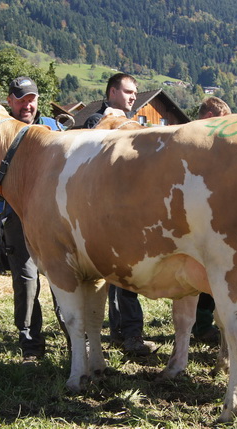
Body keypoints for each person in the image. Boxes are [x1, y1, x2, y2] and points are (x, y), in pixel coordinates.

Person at [84, 73, 156, 356]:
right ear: (112, 92)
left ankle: (128, 333)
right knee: (110, 276)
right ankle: (118, 336)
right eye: (128, 92)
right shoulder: (94, 122)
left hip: (130, 209)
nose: (133, 97)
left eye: (135, 93)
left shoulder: (133, 124)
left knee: (128, 274)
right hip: (103, 210)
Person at [0, 76, 64, 362]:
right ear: (9, 100)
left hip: (53, 218)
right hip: (16, 216)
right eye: (21, 99)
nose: (27, 104)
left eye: (31, 98)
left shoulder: (54, 128)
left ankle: (76, 339)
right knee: (25, 281)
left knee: (62, 278)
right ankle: (31, 346)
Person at [191, 97, 232, 344]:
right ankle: (201, 323)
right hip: (196, 218)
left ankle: (204, 322)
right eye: (221, 121)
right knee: (199, 273)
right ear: (208, 118)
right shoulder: (193, 142)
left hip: (212, 216)